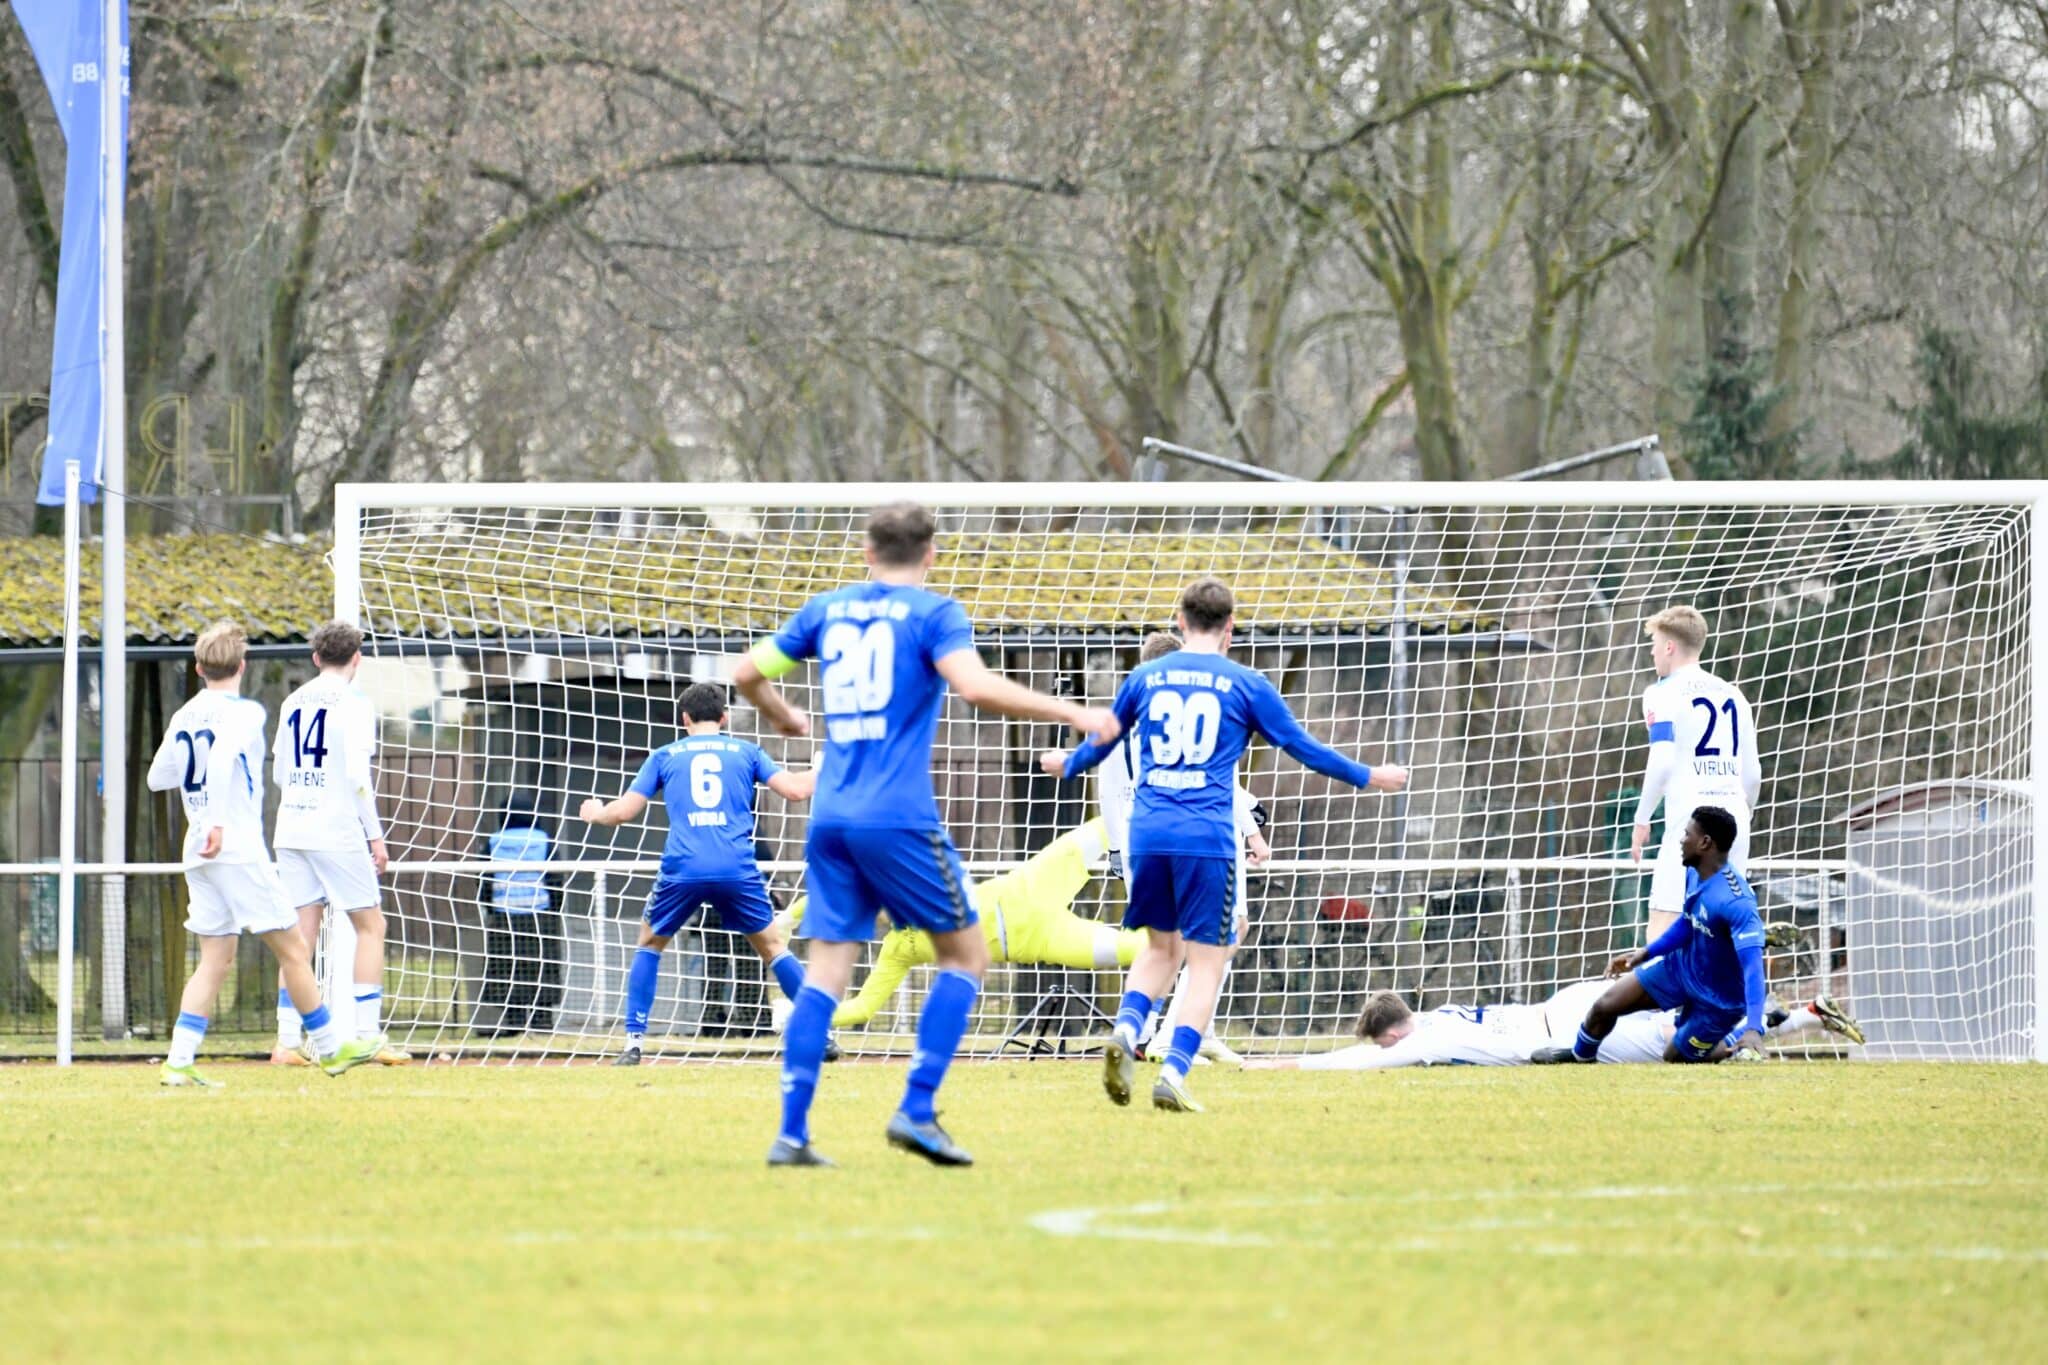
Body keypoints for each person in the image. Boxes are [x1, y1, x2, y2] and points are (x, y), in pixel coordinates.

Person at [733, 500, 1118, 1168]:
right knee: (966, 955)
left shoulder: (827, 608)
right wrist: (1073, 709)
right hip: (898, 817)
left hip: (829, 818)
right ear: (932, 553)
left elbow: (744, 674)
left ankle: (791, 1134)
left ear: (866, 549)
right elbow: (973, 686)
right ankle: (915, 1109)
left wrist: (783, 713)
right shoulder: (935, 613)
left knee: (826, 971)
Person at [1059, 576, 1407, 1113]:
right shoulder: (1246, 684)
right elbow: (1301, 747)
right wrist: (1368, 775)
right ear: (1229, 628)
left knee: (1159, 949)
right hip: (1204, 835)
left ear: (1180, 621)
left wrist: (1069, 765)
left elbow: (1104, 737)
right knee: (1208, 959)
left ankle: (1126, 1035)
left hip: (1145, 833)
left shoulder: (1147, 676)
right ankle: (1174, 1071)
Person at [146, 620, 379, 1085]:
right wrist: (215, 818)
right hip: (233, 848)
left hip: (198, 854)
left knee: (216, 956)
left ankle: (178, 1061)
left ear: (198, 668)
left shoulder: (185, 715)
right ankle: (332, 1049)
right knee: (294, 949)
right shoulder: (245, 713)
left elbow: (158, 777)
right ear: (243, 664)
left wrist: (201, 812)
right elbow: (218, 762)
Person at [1041, 629, 1270, 1067]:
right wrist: (1253, 830)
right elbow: (1217, 780)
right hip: (1200, 833)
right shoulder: (1190, 707)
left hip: (1140, 840)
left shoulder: (1123, 715)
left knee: (1167, 944)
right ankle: (1172, 1036)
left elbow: (1107, 794)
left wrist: (1117, 852)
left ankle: (1144, 1032)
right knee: (1222, 932)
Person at [579, 681, 817, 1065]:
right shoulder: (746, 751)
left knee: (650, 944)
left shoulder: (665, 755)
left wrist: (595, 812)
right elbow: (794, 791)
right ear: (724, 718)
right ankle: (818, 1032)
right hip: (735, 866)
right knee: (772, 947)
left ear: (684, 718)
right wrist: (823, 769)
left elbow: (622, 814)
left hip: (684, 867)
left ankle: (634, 1044)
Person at [784, 817, 1144, 1029]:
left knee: (1108, 824)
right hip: (1039, 939)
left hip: (1028, 887)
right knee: (1137, 950)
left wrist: (785, 919)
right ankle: (1183, 925)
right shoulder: (897, 950)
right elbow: (862, 1007)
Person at [269, 620, 406, 1066]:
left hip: (291, 826)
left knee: (299, 936)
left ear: (315, 658)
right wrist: (375, 833)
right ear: (356, 659)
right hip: (335, 828)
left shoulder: (292, 700)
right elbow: (356, 777)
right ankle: (367, 1034)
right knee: (371, 926)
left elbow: (278, 772)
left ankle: (287, 1042)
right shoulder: (355, 702)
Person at [1535, 805, 1768, 1065]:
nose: (1682, 840)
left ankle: (1745, 1034)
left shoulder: (1737, 901)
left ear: (1704, 843)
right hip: (1682, 969)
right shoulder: (1694, 872)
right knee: (1605, 1005)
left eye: (1687, 834)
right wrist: (1645, 953)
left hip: (1719, 1000)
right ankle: (1580, 1058)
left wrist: (1754, 1028)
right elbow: (1688, 922)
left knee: (1675, 1056)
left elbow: (1753, 969)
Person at [1245, 978, 1862, 1071]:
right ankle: (1798, 1014)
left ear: (1398, 1031)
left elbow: (1368, 1061)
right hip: (1566, 998)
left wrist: (1293, 1063)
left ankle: (1773, 1022)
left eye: (1389, 1041)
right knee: (1671, 999)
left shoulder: (1431, 1038)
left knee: (1681, 1050)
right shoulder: (1441, 1012)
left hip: (1562, 1036)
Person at [1633, 606, 1760, 942]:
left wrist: (1642, 818)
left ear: (1670, 647)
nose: (1652, 651)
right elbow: (1753, 775)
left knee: (1664, 927)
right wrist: (1744, 813)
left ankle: (1667, 996)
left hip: (1692, 824)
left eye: (1656, 643)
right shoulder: (1735, 695)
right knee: (1720, 931)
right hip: (1735, 822)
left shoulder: (1661, 693)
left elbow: (1661, 762)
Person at [475, 793, 565, 1036]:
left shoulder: (494, 842)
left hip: (505, 918)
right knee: (542, 967)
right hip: (540, 916)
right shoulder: (544, 841)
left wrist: (491, 907)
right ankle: (542, 1020)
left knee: (507, 967)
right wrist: (553, 909)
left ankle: (513, 1021)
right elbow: (557, 879)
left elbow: (483, 879)